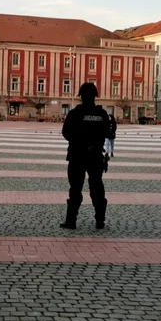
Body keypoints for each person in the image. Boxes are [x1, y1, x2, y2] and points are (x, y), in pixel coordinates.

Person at [60, 82, 110, 230]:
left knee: (75, 188)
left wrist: (79, 140)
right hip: (95, 156)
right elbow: (108, 133)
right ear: (95, 96)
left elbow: (66, 133)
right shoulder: (102, 114)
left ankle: (71, 220)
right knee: (97, 188)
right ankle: (100, 220)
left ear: (81, 96)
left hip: (77, 155)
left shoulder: (75, 113)